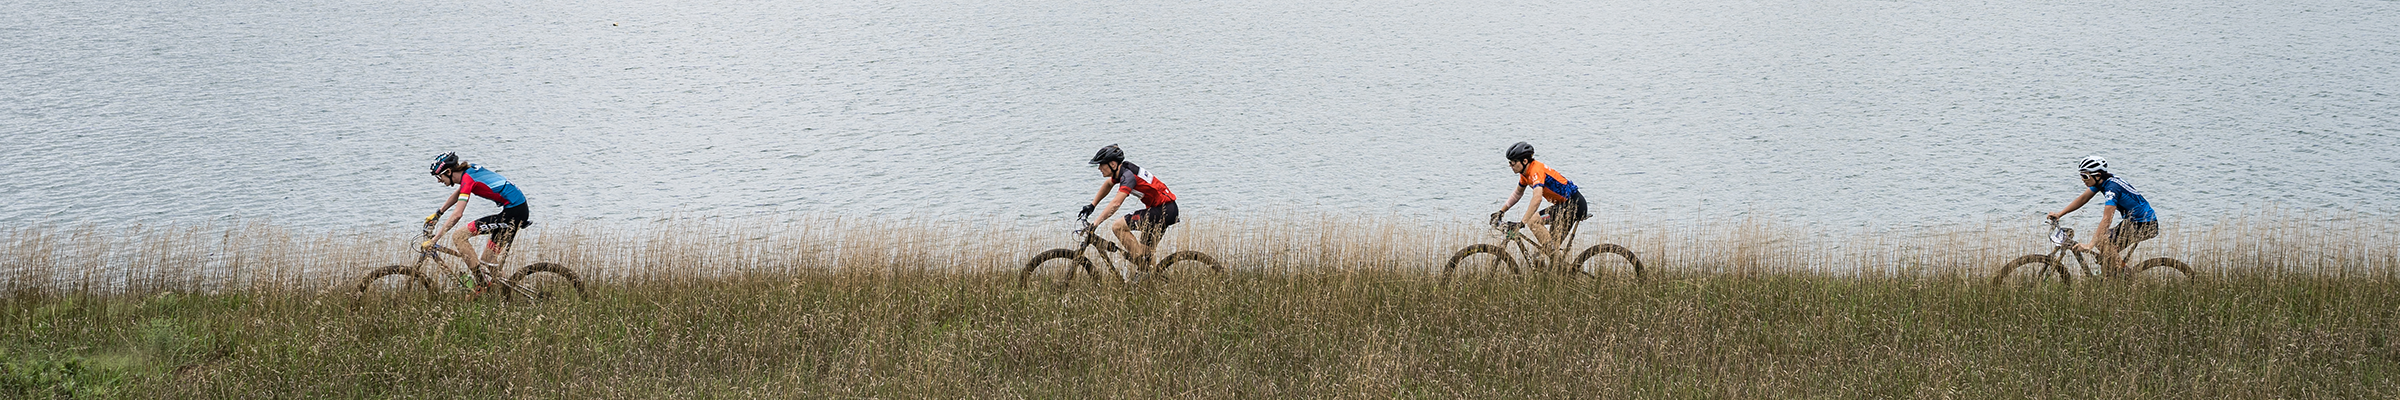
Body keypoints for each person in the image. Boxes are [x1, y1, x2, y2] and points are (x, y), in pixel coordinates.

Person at [422, 152, 532, 288]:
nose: (439, 180)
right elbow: (459, 193)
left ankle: (481, 283)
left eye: (440, 176)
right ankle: (506, 292)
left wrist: (434, 240)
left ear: (449, 171)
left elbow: (457, 215)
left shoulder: (468, 180)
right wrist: (439, 213)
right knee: (488, 259)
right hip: (516, 209)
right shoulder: (468, 171)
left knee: (459, 236)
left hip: (514, 213)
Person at [1077, 144, 1178, 282]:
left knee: (1118, 226)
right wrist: (1092, 205)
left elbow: (1116, 203)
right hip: (1165, 209)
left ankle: (1143, 269)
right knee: (1146, 253)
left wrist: (1095, 223)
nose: (1099, 168)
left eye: (1101, 164)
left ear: (1113, 164)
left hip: (1163, 210)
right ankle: (1153, 281)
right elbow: (1108, 184)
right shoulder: (1123, 170)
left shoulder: (1128, 176)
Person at [2046, 155, 2158, 273]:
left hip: (2145, 224)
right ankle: (2115, 275)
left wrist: (2089, 245)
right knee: (2104, 249)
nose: (2083, 179)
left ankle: (2125, 276)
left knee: (2100, 241)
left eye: (2085, 176)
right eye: (2081, 176)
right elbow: (2083, 199)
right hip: (2133, 221)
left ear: (2098, 175)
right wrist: (2060, 214)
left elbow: (2107, 219)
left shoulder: (2112, 189)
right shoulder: (2103, 182)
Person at [1492, 142, 1589, 258]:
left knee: (1533, 221)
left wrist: (1522, 223)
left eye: (1513, 162)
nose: (1511, 166)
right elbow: (1518, 193)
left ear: (1524, 161)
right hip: (1562, 206)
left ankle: (1554, 257)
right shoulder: (1525, 174)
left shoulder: (1536, 171)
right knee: (1543, 256)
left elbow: (1537, 198)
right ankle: (1556, 263)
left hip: (1574, 205)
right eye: (1510, 163)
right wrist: (1501, 211)